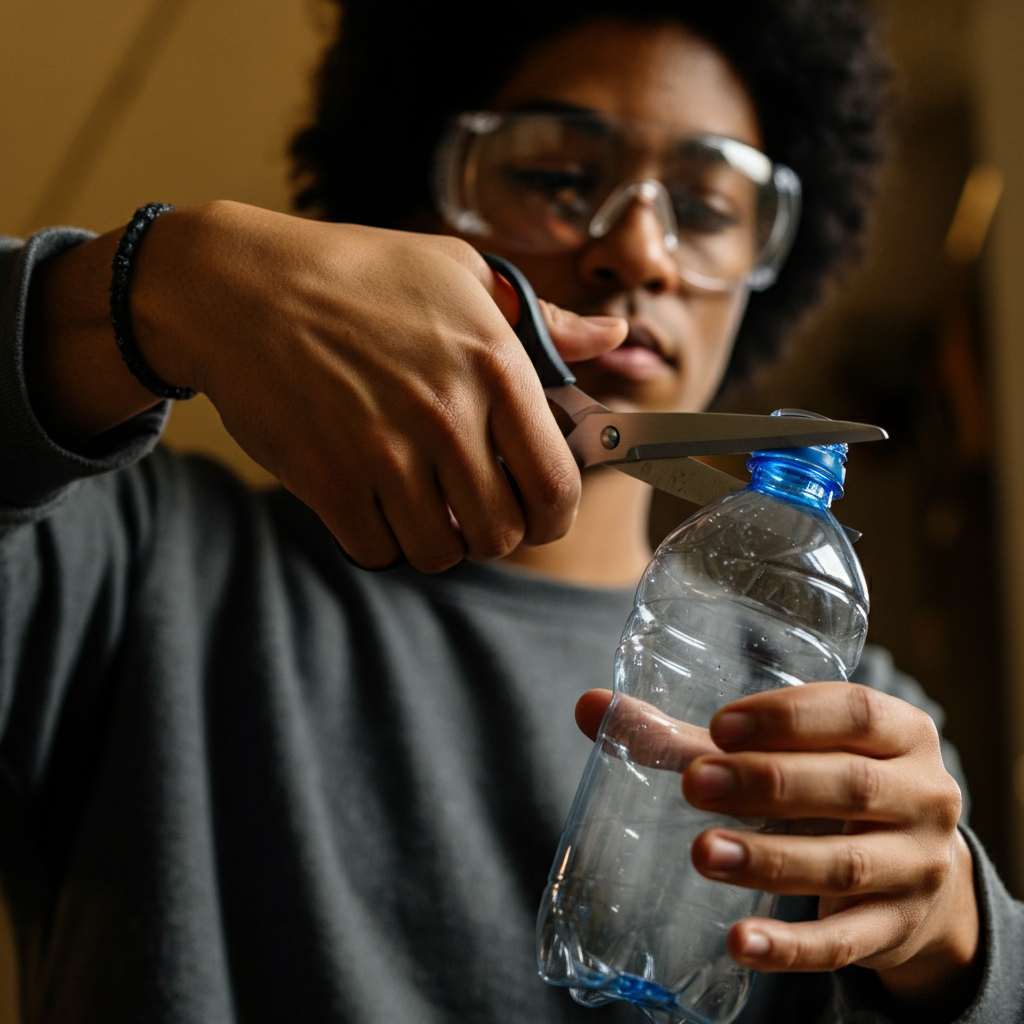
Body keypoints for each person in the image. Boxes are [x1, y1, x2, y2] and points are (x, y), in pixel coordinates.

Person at [1, 0, 1022, 1021]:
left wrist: (957, 944)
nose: (637, 248)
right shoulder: (130, 566)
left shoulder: (854, 727)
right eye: (556, 177)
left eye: (707, 206)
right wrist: (151, 284)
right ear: (422, 206)